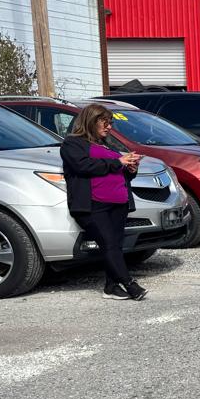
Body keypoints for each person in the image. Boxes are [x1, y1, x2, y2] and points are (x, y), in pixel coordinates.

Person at [60, 103, 147, 300]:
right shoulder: (72, 144)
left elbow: (118, 172)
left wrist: (130, 168)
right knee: (108, 243)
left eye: (110, 123)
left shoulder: (108, 144)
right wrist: (118, 162)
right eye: (105, 123)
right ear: (91, 122)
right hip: (93, 205)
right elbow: (83, 166)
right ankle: (130, 284)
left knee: (114, 245)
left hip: (119, 204)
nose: (109, 127)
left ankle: (111, 287)